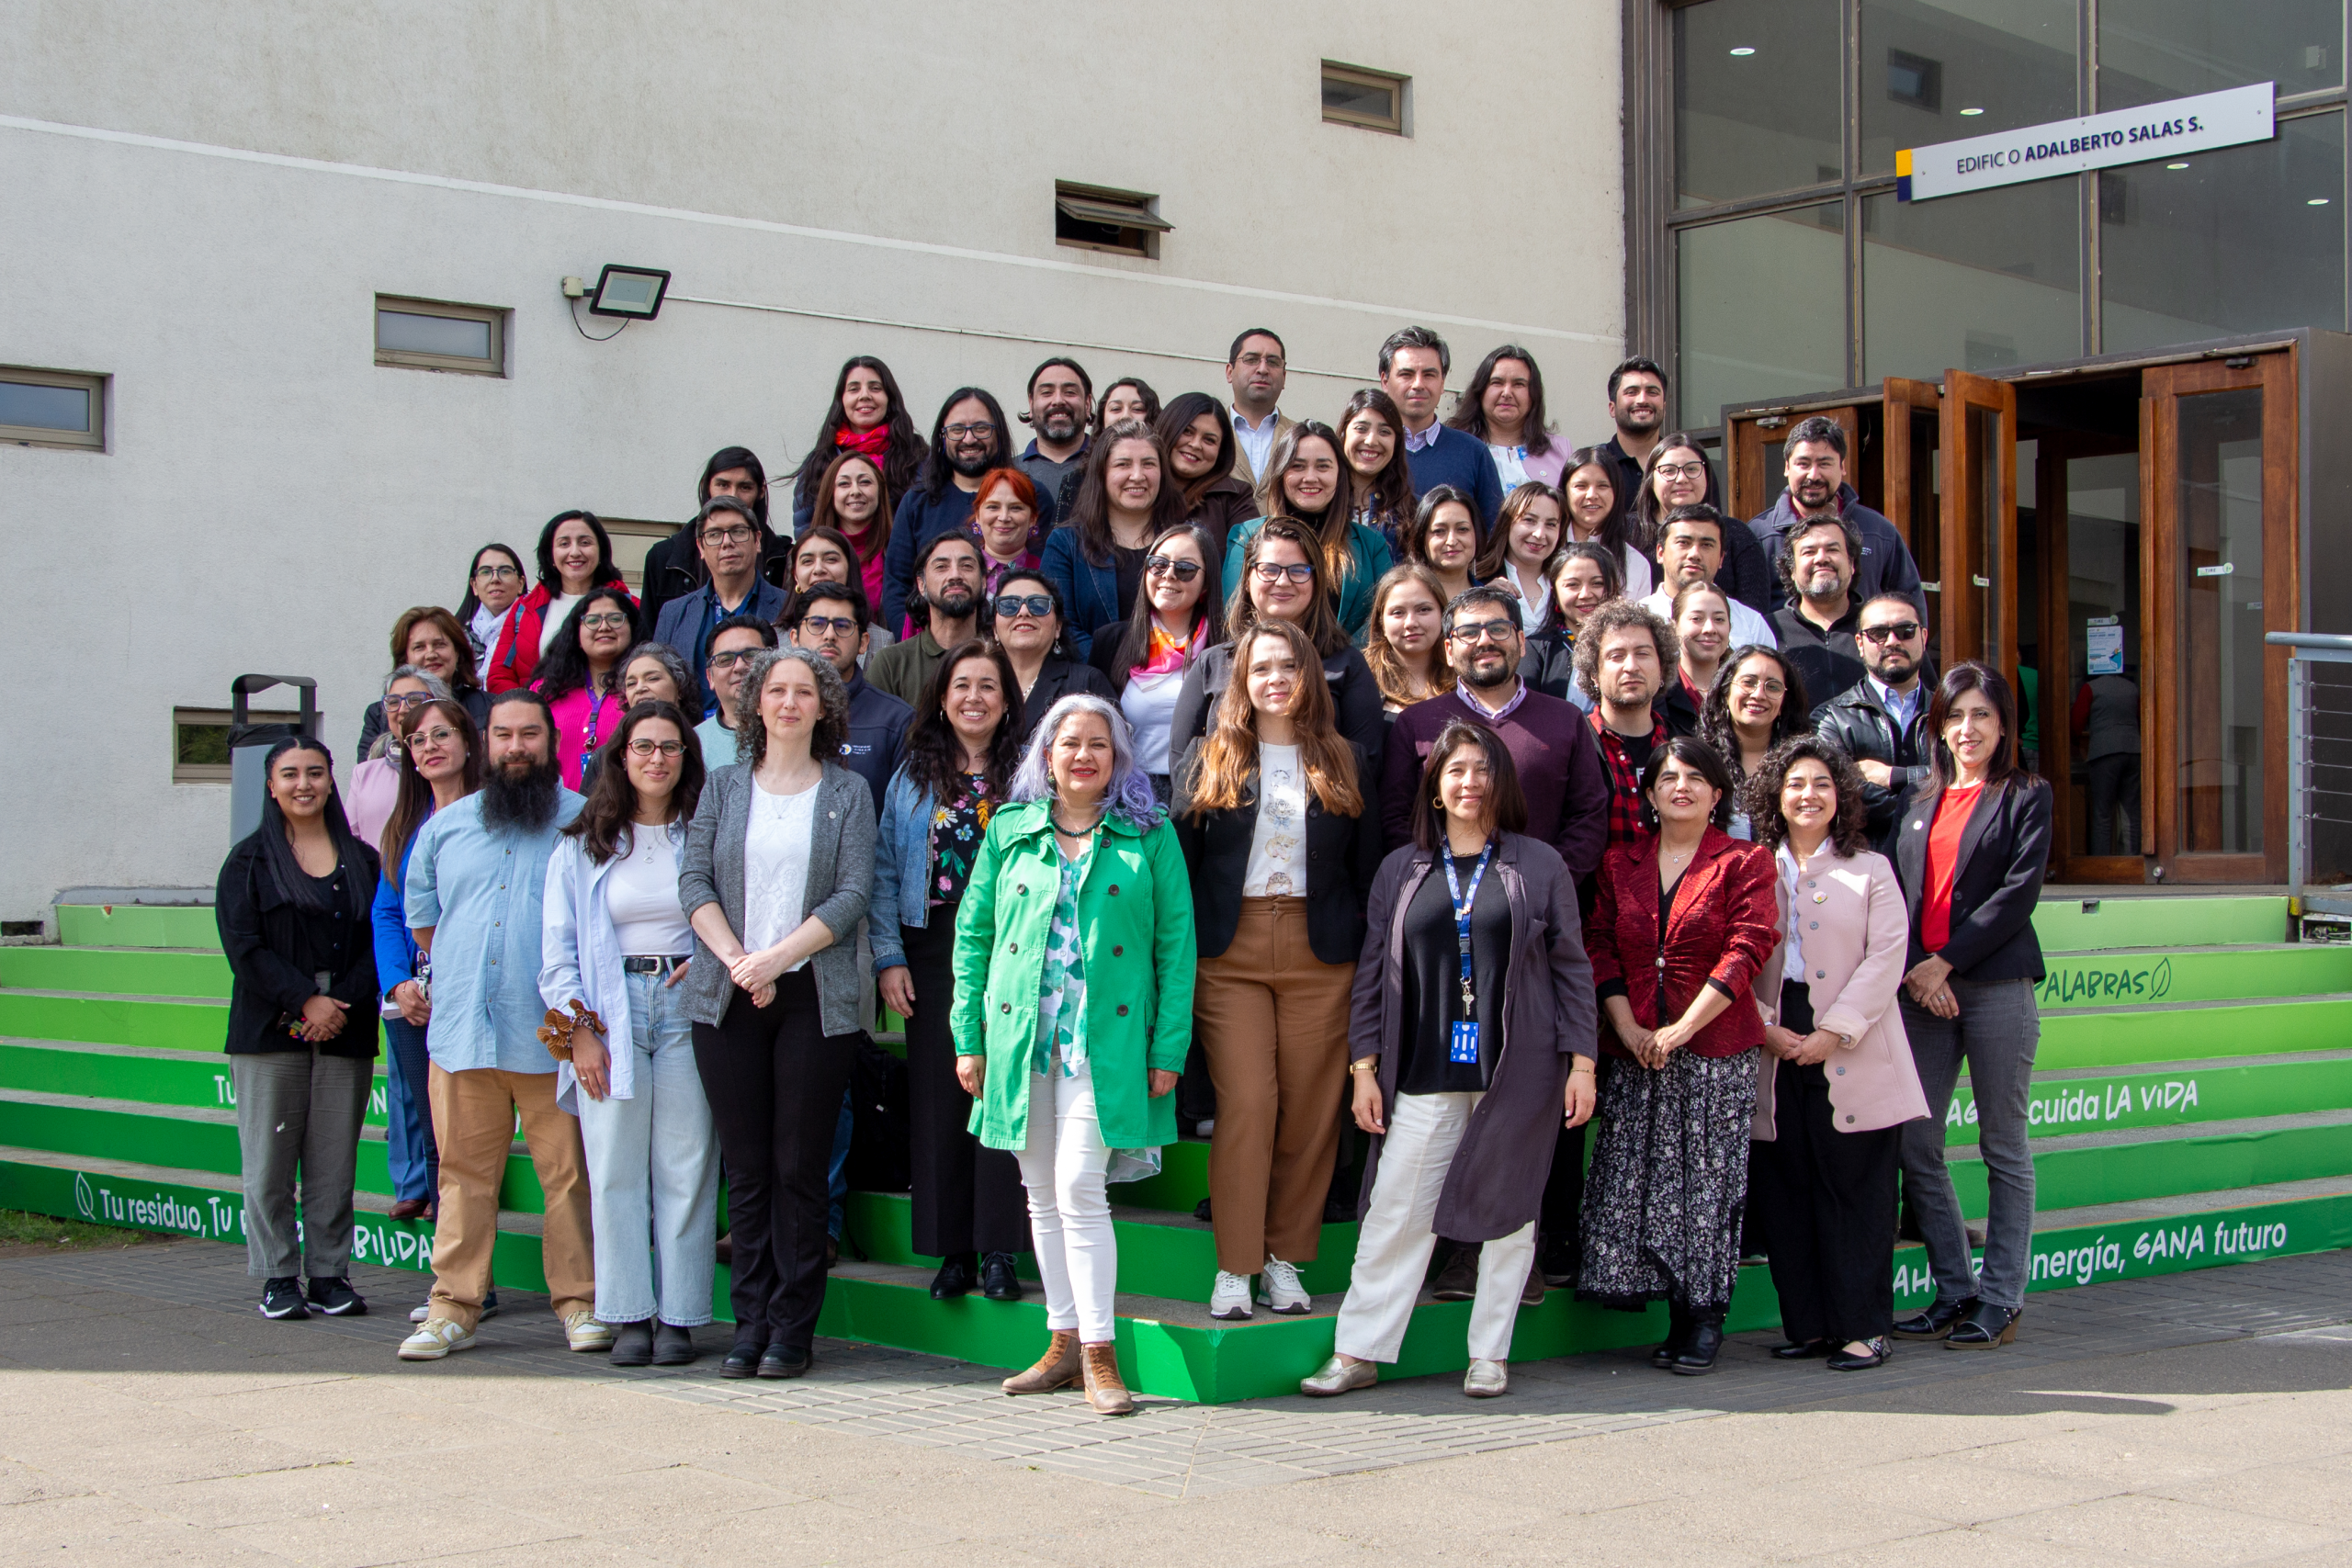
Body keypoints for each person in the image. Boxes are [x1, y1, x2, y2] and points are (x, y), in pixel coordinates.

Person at [1300, 721, 1597, 1399]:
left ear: (1502, 782)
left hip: (1517, 1070)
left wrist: (1582, 1062)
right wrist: (1363, 1067)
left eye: (1483, 769)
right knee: (1395, 1210)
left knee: (1510, 1215)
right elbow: (1371, 976)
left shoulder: (1539, 864)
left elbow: (1573, 969)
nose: (1471, 783)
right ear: (1435, 786)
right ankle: (1358, 1351)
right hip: (1424, 1068)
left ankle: (1489, 1354)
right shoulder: (1401, 869)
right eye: (1456, 770)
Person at [952, 695, 1195, 1416]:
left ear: (1118, 757)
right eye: (1070, 743)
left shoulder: (1149, 834)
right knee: (1040, 1192)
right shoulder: (1010, 830)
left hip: (1106, 1044)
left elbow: (1177, 949)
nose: (1084, 755)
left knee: (1079, 1186)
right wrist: (968, 1037)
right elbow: (973, 937)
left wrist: (1169, 1045)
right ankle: (1060, 1343)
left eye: (1099, 743)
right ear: (1047, 755)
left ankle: (1099, 1353)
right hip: (1021, 1039)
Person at [1174, 619, 1381, 1320]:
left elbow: (1367, 868)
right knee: (1250, 1103)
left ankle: (1284, 1258)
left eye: (1288, 666)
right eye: (1261, 668)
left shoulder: (1346, 757)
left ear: (1309, 676)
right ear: (1241, 679)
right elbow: (1183, 867)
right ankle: (1236, 1264)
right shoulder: (1209, 755)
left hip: (1320, 952)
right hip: (1229, 953)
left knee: (1311, 1110)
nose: (1275, 679)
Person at [680, 648, 877, 1379]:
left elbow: (853, 893)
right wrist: (740, 960)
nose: (789, 702)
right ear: (755, 704)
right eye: (776, 690)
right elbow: (693, 881)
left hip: (812, 996)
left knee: (799, 1166)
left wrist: (775, 960)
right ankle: (750, 1322)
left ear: (824, 706)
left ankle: (792, 1328)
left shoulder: (848, 791)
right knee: (748, 1167)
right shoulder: (724, 785)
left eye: (804, 691)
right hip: (726, 991)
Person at [398, 691, 601, 1360]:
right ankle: (452, 1309)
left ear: (552, 742)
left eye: (530, 734)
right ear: (486, 744)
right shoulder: (445, 828)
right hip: (464, 1034)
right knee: (462, 1175)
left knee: (568, 1179)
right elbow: (426, 924)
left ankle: (581, 1303)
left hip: (553, 1040)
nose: (517, 747)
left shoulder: (585, 821)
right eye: (504, 735)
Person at [1579, 736, 1779, 1375]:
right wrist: (1628, 1026)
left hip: (1715, 1046)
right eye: (1668, 777)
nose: (1681, 787)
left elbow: (1749, 946)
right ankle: (1669, 1312)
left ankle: (1704, 1318)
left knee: (1706, 1187)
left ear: (1718, 794)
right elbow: (1599, 946)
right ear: (1650, 793)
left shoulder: (1744, 861)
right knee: (1644, 1182)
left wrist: (1684, 1028)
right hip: (1637, 1047)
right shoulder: (1620, 862)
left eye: (1695, 777)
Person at [539, 699, 717, 1368]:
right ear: (621, 755)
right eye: (644, 746)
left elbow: (736, 917)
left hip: (686, 1005)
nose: (657, 759)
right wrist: (579, 1032)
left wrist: (708, 963)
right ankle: (627, 1314)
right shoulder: (581, 842)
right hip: (608, 1013)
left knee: (686, 1165)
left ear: (686, 758)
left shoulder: (704, 831)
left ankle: (679, 1316)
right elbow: (556, 953)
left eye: (670, 747)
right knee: (614, 1168)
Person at [1746, 737, 1927, 1372]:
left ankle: (1864, 1328)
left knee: (1857, 1193)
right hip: (1775, 1038)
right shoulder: (1752, 867)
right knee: (1787, 1192)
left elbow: (1887, 957)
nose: (1809, 795)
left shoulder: (1870, 868)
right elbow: (1732, 955)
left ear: (1841, 796)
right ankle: (1811, 1326)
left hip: (1854, 1039)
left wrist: (1835, 1030)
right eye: (1795, 783)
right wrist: (1764, 1026)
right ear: (1776, 795)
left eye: (1822, 783)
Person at [1889, 663, 2052, 1353]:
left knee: (2002, 1145)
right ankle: (1955, 1288)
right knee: (1915, 1140)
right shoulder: (1919, 798)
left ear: (2005, 725)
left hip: (1994, 985)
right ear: (1938, 726)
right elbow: (1894, 890)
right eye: (1955, 716)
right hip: (1921, 990)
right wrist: (1916, 969)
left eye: (1982, 714)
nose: (1968, 728)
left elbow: (2018, 893)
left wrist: (1946, 961)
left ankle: (2001, 1297)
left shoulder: (2026, 795)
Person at [873, 641, 1031, 1302]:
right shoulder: (912, 775)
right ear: (941, 697)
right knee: (942, 1098)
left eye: (988, 686)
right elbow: (883, 870)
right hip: (932, 949)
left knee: (1004, 1094)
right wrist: (889, 957)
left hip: (1015, 948)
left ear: (1006, 700)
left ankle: (1001, 1250)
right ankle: (953, 1251)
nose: (974, 697)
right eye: (961, 685)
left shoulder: (1030, 774)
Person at [217, 737, 381, 1321]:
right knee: (269, 1162)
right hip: (269, 1027)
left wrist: (338, 1003)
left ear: (332, 781)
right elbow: (244, 948)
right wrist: (305, 1000)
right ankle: (279, 1275)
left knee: (334, 1163)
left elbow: (378, 941)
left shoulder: (362, 860)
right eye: (290, 774)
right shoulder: (248, 862)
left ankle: (330, 1275)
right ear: (271, 785)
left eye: (315, 772)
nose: (303, 784)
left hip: (345, 1026)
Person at [1381, 584, 1609, 878]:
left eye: (1498, 629)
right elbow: (1396, 819)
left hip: (1543, 896)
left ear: (1521, 642)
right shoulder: (1416, 724)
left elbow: (1589, 816)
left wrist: (1549, 882)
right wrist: (1439, 886)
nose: (1485, 640)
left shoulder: (1567, 719)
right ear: (1449, 650)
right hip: (1445, 896)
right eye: (1469, 632)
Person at [372, 699, 481, 1224]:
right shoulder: (405, 826)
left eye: (442, 734)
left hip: (476, 992)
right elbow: (386, 912)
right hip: (414, 1001)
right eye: (417, 740)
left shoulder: (493, 817)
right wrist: (397, 984)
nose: (430, 747)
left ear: (468, 742)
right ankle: (450, 1260)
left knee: (473, 1129)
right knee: (434, 1127)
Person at [1172, 518, 1385, 759]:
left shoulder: (1347, 664)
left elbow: (1366, 762)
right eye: (1269, 570)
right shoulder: (1212, 663)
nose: (1283, 581)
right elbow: (1182, 761)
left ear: (1316, 581)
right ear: (1248, 579)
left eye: (1299, 570)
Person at [882, 389, 1041, 634]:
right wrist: (920, 645)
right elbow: (897, 585)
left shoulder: (1032, 494)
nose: (969, 439)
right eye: (957, 430)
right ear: (942, 436)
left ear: (998, 433)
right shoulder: (917, 501)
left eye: (981, 428)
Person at [1224, 421, 1395, 642]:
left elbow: (1382, 617)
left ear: (1340, 474)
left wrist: (1339, 659)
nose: (1311, 477)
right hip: (1266, 659)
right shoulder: (1246, 535)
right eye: (1297, 466)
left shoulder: (1371, 543)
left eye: (1323, 467)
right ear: (1280, 473)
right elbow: (1236, 614)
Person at [1091, 522, 1222, 799]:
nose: (1169, 575)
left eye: (1185, 569)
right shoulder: (1111, 642)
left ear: (1206, 583)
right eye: (1159, 564)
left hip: (1205, 794)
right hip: (1128, 794)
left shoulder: (1226, 649)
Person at [1045, 420, 1189, 654]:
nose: (1137, 476)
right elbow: (1062, 627)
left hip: (1176, 671)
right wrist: (1123, 667)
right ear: (1101, 473)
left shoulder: (1187, 543)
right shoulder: (1065, 543)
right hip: (1094, 672)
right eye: (1123, 464)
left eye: (1148, 464)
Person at [1749, 416, 1922, 610]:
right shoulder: (1758, 535)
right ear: (1787, 468)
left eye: (1824, 464)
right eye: (1803, 464)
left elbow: (1910, 606)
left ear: (1842, 467)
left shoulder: (1878, 531)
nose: (1814, 475)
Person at [1815, 595, 1933, 848]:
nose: (1892, 641)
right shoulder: (1832, 717)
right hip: (1862, 860)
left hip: (1941, 860)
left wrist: (1895, 776)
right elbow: (1843, 794)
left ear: (1923, 637)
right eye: (1878, 633)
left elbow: (1973, 780)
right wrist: (1933, 807)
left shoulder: (1951, 715)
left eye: (1905, 631)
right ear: (1860, 643)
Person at [786, 579, 913, 812]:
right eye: (817, 624)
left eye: (843, 626)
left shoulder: (896, 721)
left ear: (864, 642)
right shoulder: (777, 712)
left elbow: (903, 819)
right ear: (794, 639)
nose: (829, 635)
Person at [653, 498, 789, 710]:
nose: (727, 543)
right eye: (714, 535)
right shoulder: (673, 614)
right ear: (700, 547)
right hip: (694, 729)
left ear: (757, 541)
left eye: (738, 532)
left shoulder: (788, 607)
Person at [641, 449, 788, 637]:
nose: (732, 495)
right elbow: (650, 641)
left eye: (745, 487)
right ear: (707, 487)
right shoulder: (665, 558)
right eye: (723, 485)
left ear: (760, 492)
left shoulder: (782, 558)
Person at [487, 512, 632, 694]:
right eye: (564, 544)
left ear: (601, 550)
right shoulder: (525, 608)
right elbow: (499, 675)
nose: (575, 552)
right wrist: (528, 706)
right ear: (550, 555)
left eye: (585, 542)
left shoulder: (631, 606)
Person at [1576, 600, 1677, 849]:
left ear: (1662, 668)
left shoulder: (1684, 746)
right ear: (1594, 674)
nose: (1631, 667)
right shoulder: (1573, 746)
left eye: (1643, 653)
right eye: (1616, 656)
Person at [786, 356, 928, 531]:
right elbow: (805, 530)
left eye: (875, 388)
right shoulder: (818, 461)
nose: (865, 395)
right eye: (854, 389)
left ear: (889, 398)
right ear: (842, 400)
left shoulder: (918, 457)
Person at [1379, 326, 1501, 524]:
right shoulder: (1367, 451)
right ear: (1385, 381)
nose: (1418, 384)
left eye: (1429, 375)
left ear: (1442, 382)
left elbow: (1493, 532)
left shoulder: (1473, 453)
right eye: (1406, 374)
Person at [1635, 438, 1771, 615]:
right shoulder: (1626, 532)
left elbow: (1753, 612)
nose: (1681, 479)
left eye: (1692, 469)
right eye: (1669, 470)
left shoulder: (1738, 535)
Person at [1698, 646, 1812, 840]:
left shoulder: (1804, 762)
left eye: (1773, 687)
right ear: (1725, 692)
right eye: (1748, 683)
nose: (1759, 695)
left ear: (1784, 703)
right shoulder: (1699, 760)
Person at [355, 607, 492, 766]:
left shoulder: (490, 706)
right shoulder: (379, 715)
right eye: (419, 647)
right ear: (405, 659)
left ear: (457, 652)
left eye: (440, 645)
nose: (431, 654)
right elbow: (369, 773)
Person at [994, 570, 1116, 744]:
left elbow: (1115, 753)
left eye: (1038, 604)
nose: (1023, 612)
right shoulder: (976, 686)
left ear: (1058, 627)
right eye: (1009, 605)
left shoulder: (1086, 683)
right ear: (994, 630)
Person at [533, 588, 638, 790]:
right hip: (557, 805)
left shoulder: (643, 688)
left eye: (615, 619)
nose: (604, 627)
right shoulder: (545, 688)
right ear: (576, 633)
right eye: (592, 620)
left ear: (632, 629)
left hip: (623, 804)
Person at [867, 531, 985, 706]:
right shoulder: (891, 663)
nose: (955, 575)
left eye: (967, 566)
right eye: (941, 567)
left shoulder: (1001, 657)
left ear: (984, 582)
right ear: (921, 585)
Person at [1640, 505, 1779, 651]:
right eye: (1683, 543)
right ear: (1660, 553)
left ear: (1721, 558)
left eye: (1706, 545)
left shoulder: (1751, 625)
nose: (1694, 554)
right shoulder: (1638, 619)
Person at [1772, 514, 1869, 713]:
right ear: (1792, 570)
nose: (1821, 558)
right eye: (1809, 552)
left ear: (1852, 564)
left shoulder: (1880, 629)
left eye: (1832, 549)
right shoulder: (1768, 630)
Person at [347, 666, 450, 848]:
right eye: (393, 701)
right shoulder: (364, 774)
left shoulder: (452, 768)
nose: (402, 709)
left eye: (414, 699)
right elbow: (350, 841)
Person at [1447, 345, 1566, 492]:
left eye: (1519, 384)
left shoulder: (1560, 450)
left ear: (1533, 394)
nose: (1507, 393)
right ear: (1481, 391)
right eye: (1497, 383)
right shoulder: (1454, 447)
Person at [1521, 543, 1621, 707]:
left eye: (1597, 583)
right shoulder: (1534, 649)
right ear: (1554, 592)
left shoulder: (1635, 645)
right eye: (1573, 585)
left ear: (1614, 588)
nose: (1585, 594)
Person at [1156, 393, 1254, 555]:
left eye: (1209, 440)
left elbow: (1249, 560)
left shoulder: (1235, 498)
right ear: (1167, 429)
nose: (1195, 445)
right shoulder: (1140, 486)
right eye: (1187, 431)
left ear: (1221, 452)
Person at [1559, 445, 1655, 602]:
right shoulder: (1546, 550)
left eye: (1602, 486)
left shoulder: (1636, 563)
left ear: (1616, 492)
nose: (1592, 495)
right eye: (1581, 486)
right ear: (1565, 491)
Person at [806, 450, 895, 616]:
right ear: (830, 492)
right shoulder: (805, 555)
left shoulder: (899, 552)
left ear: (880, 491)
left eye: (865, 482)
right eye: (844, 484)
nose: (855, 491)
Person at [1476, 481, 1566, 631]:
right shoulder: (1477, 580)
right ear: (1507, 523)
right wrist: (1480, 599)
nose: (1539, 534)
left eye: (1551, 524)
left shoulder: (1568, 584)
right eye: (1529, 520)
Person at [1363, 564, 1449, 716]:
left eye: (1423, 610)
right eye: (1398, 612)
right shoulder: (1362, 682)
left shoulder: (1467, 680)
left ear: (1443, 613)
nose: (1410, 623)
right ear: (1381, 622)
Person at [2074, 665, 2142, 855]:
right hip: (2133, 750)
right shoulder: (2132, 688)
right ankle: (2132, 860)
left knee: (2102, 813)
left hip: (2104, 753)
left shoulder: (2090, 688)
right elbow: (2141, 717)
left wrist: (2075, 744)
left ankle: (2102, 863)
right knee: (2131, 813)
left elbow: (2077, 721)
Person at [1340, 387, 1416, 552]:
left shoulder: (1411, 512)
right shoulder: (1323, 503)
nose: (1371, 441)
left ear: (1396, 443)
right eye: (1361, 429)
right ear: (1344, 434)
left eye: (1384, 432)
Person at [695, 615, 776, 765]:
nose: (739, 666)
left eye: (751, 655)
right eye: (725, 659)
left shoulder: (795, 729)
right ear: (710, 677)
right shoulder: (694, 742)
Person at [1596, 357, 1669, 521]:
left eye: (1652, 392)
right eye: (1631, 392)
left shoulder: (1687, 466)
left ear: (1664, 408)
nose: (1642, 400)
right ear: (1612, 408)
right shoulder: (1593, 465)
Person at [1660, 581, 1735, 738]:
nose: (1710, 629)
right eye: (1696, 618)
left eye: (1719, 619)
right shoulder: (1658, 693)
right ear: (1674, 627)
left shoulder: (1743, 691)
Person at [1016, 357, 1092, 503]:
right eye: (1046, 392)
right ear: (1031, 403)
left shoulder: (1109, 467)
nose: (1058, 401)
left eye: (1070, 392)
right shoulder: (1008, 470)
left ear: (1087, 404)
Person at [1225, 328, 1294, 489]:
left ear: (1284, 377)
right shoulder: (1208, 435)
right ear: (1229, 372)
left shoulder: (1301, 438)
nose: (1262, 369)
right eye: (1251, 359)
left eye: (1273, 362)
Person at [967, 467, 1047, 596]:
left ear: (1033, 518)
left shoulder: (1047, 573)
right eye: (993, 507)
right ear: (978, 516)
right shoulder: (962, 572)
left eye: (1016, 508)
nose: (1004, 517)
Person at [1401, 485, 1483, 607]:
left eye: (1462, 529)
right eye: (1439, 531)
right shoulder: (1404, 598)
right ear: (1421, 537)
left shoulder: (1491, 601)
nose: (1452, 541)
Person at [456, 544, 527, 660]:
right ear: (474, 586)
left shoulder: (537, 627)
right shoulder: (457, 639)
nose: (495, 579)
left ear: (520, 583)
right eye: (485, 572)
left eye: (505, 571)